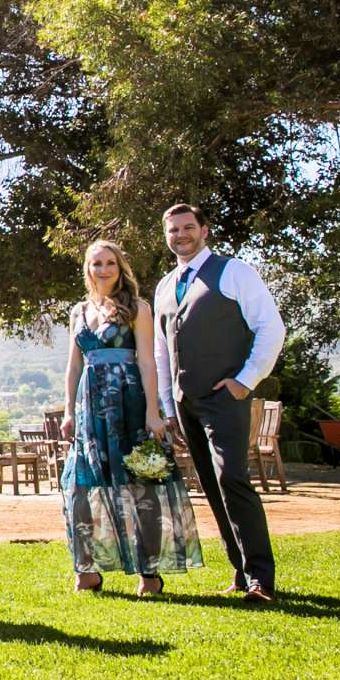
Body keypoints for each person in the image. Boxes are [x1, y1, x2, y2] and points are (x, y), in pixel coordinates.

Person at [151, 203, 285, 603]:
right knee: (210, 485)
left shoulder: (234, 271)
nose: (181, 235)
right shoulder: (164, 286)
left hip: (225, 398)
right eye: (173, 230)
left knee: (233, 480)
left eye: (188, 227)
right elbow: (162, 351)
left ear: (204, 231)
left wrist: (246, 381)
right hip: (185, 402)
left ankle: (261, 578)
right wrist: (167, 404)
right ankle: (241, 575)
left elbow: (270, 327)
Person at [62, 240, 202, 597]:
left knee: (141, 487)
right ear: (88, 269)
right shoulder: (78, 311)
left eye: (111, 263)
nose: (104, 269)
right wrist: (67, 411)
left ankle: (149, 573)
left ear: (120, 267)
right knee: (80, 489)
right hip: (89, 407)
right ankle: (87, 569)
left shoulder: (137, 307)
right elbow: (74, 364)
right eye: (97, 264)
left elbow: (146, 361)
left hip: (129, 402)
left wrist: (153, 412)